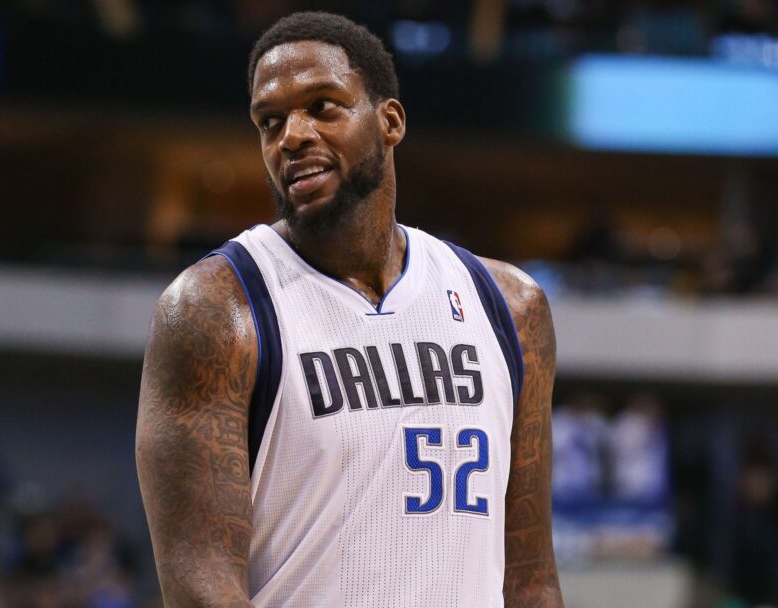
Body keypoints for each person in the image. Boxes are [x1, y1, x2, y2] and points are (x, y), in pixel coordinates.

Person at [136, 11, 563, 608]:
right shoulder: (215, 311)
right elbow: (203, 589)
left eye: (322, 106)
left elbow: (531, 580)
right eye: (270, 120)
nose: (292, 135)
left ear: (389, 122)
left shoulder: (509, 308)